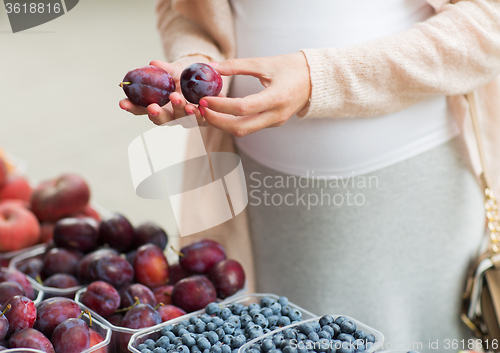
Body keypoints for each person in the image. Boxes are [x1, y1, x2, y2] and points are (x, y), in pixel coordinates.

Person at [120, 0, 500, 351]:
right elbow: (183, 11)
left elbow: (490, 22)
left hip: (410, 197)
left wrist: (316, 77)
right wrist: (195, 64)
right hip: (257, 196)